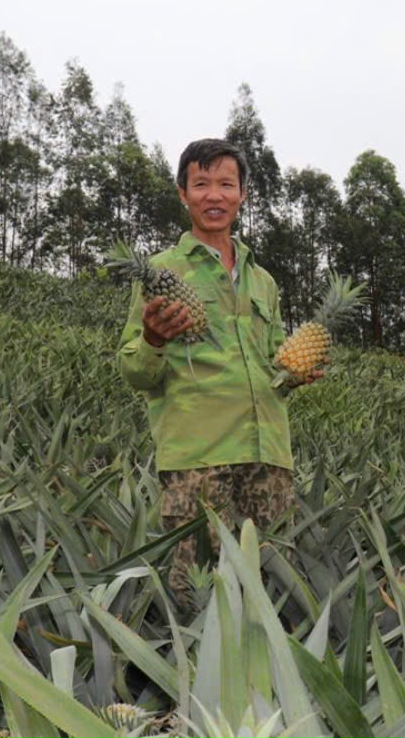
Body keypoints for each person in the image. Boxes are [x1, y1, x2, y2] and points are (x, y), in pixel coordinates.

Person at [117, 138, 313, 606]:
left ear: (242, 195)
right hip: (198, 463)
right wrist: (154, 339)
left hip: (269, 459)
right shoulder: (161, 272)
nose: (214, 195)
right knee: (198, 596)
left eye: (226, 184)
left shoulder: (262, 280)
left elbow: (272, 364)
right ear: (182, 194)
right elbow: (134, 372)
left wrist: (294, 374)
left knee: (267, 595)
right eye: (201, 184)